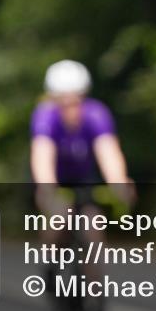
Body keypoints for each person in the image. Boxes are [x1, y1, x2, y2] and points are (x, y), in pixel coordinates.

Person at [30, 59, 134, 247]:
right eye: (63, 101)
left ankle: (93, 274)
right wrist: (46, 186)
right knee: (58, 217)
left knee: (93, 228)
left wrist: (118, 181)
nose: (71, 106)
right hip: (56, 179)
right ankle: (50, 267)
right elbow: (42, 153)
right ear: (54, 99)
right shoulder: (45, 115)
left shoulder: (96, 114)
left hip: (85, 180)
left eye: (76, 99)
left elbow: (108, 151)